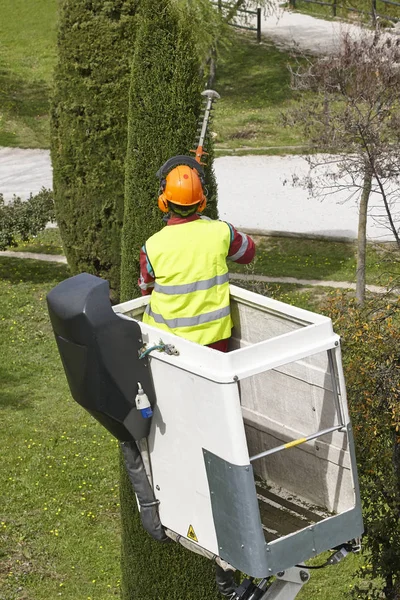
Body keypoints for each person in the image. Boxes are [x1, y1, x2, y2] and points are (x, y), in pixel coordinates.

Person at [138, 158, 255, 353]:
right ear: (202, 202)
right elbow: (248, 252)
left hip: (167, 342)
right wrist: (214, 225)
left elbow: (145, 289)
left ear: (163, 201)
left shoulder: (151, 246)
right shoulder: (222, 232)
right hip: (214, 339)